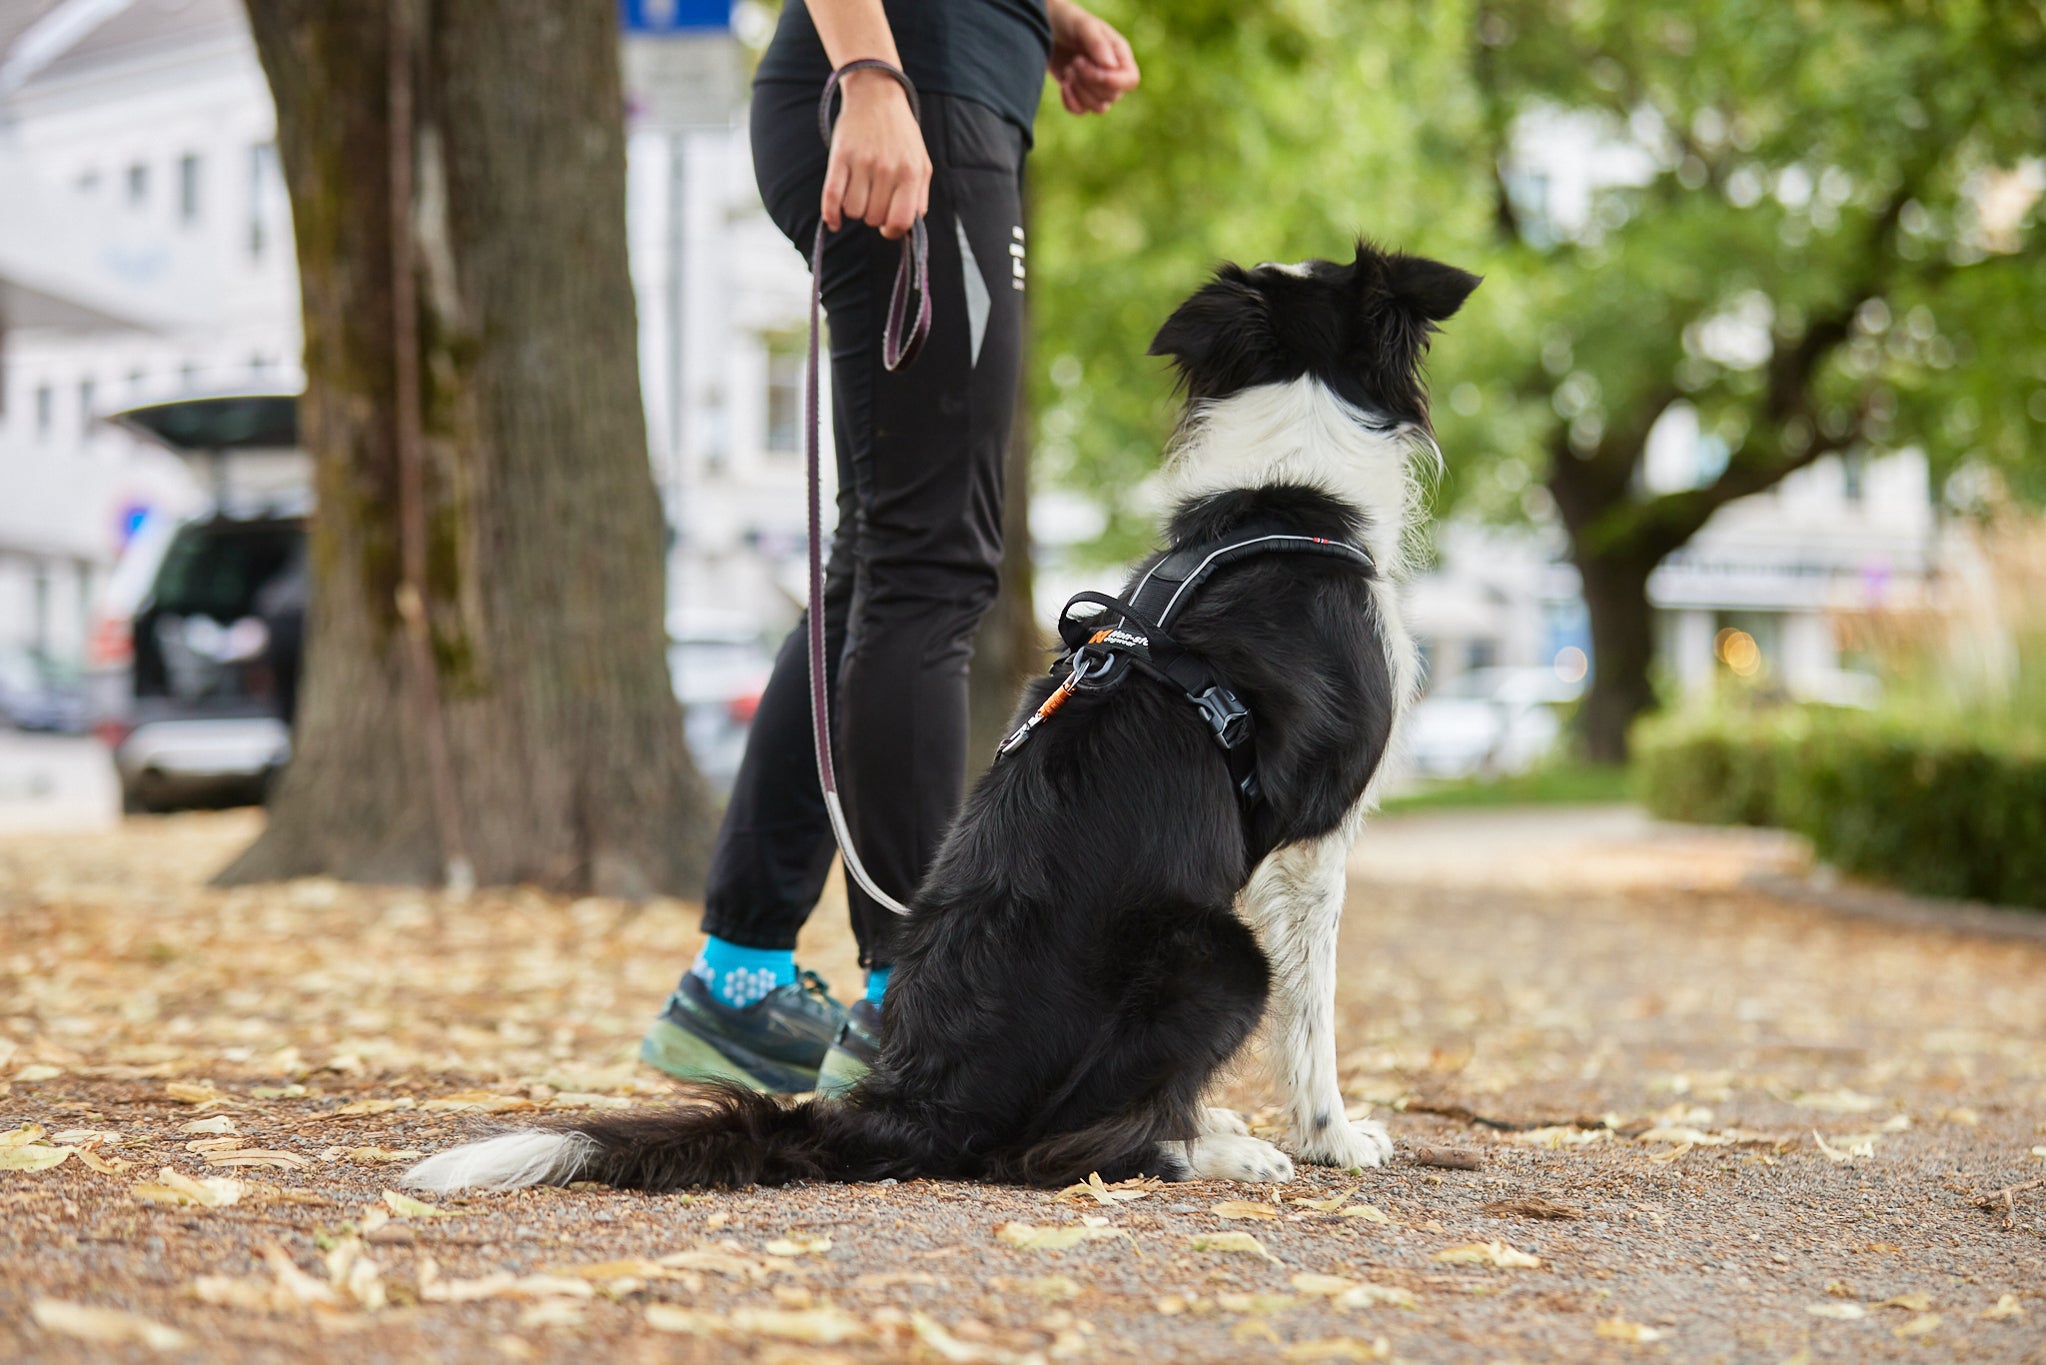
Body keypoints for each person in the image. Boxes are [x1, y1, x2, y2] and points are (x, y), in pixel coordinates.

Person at [640, 0, 1140, 1095]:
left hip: (933, 87)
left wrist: (1043, 18)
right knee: (930, 565)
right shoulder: (889, 77)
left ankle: (739, 986)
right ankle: (912, 1012)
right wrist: (872, 71)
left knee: (875, 567)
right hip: (910, 96)